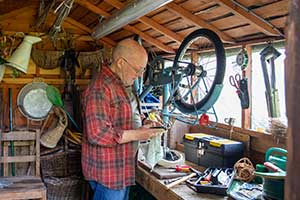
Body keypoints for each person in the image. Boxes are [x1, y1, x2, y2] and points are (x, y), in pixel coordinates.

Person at [81, 38, 163, 200]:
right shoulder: (100, 88)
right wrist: (139, 134)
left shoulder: (123, 83)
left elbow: (126, 114)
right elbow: (97, 134)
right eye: (137, 69)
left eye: (143, 69)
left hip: (122, 168)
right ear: (120, 63)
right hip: (107, 171)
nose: (140, 75)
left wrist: (144, 122)